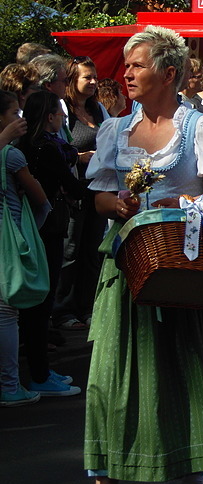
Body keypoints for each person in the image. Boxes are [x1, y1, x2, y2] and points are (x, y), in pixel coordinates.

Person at [83, 25, 203, 484]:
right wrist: (116, 205)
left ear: (168, 72)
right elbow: (99, 197)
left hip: (179, 268)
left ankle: (189, 481)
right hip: (123, 269)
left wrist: (190, 205)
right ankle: (105, 481)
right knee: (109, 377)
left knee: (180, 376)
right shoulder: (116, 129)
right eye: (126, 64)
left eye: (137, 65)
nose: (126, 73)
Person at [16, 90, 84, 398]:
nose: (62, 119)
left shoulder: (25, 146)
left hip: (30, 225)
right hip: (48, 225)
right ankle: (40, 374)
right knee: (42, 301)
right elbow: (73, 187)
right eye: (59, 114)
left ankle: (41, 370)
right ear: (49, 116)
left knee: (36, 303)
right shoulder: (48, 149)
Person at [52, 56, 110, 331]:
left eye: (95, 77)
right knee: (71, 249)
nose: (93, 82)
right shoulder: (64, 111)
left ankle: (87, 306)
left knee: (92, 250)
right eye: (87, 77)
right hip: (73, 192)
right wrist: (79, 157)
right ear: (72, 80)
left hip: (97, 190)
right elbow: (57, 147)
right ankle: (62, 310)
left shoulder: (99, 110)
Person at [0, 89, 49, 407]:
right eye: (14, 113)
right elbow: (41, 201)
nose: (20, 119)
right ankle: (10, 384)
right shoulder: (11, 155)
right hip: (8, 241)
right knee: (6, 313)